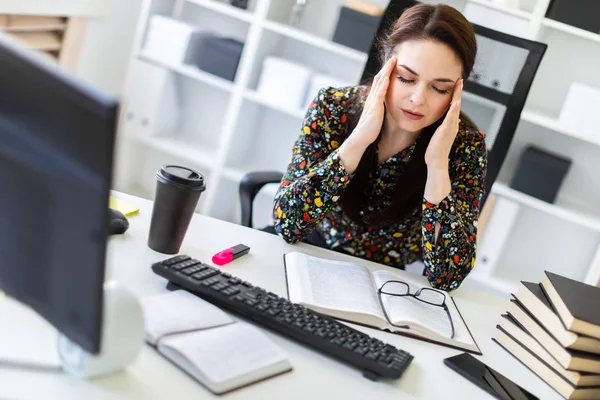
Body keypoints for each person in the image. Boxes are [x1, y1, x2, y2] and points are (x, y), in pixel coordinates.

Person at [272, 3, 487, 291]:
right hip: (308, 255)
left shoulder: (466, 147)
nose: (417, 99)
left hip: (385, 284)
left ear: (458, 89)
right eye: (406, 78)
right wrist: (359, 138)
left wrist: (437, 165)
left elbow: (447, 277)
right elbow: (288, 224)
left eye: (439, 88)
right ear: (386, 64)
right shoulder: (333, 107)